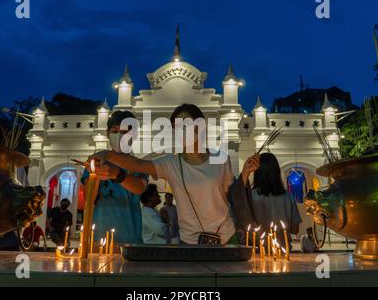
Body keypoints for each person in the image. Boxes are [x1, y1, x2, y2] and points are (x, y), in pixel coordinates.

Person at [87, 104, 259, 245]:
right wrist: (107, 155)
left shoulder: (220, 158)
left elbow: (232, 193)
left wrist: (245, 173)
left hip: (226, 237)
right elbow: (139, 164)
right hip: (190, 241)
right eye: (177, 128)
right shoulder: (170, 163)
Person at [81, 111, 148, 245]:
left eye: (125, 132)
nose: (120, 136)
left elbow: (139, 188)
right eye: (115, 131)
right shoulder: (96, 161)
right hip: (98, 240)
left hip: (130, 240)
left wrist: (116, 174)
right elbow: (89, 198)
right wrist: (96, 173)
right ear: (107, 133)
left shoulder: (139, 165)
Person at [248, 153, 302, 249]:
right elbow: (295, 229)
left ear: (257, 172)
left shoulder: (250, 196)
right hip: (282, 250)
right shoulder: (288, 197)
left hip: (258, 251)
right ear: (277, 172)